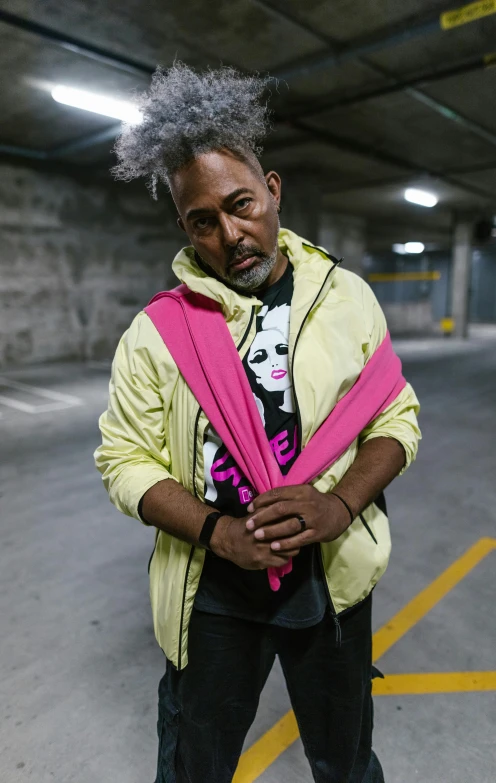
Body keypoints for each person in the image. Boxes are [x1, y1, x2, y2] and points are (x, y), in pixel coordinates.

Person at [94, 63, 421, 783]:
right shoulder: (158, 332)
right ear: (185, 226)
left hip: (329, 585)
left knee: (345, 761)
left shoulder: (347, 299)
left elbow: (395, 415)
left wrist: (339, 504)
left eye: (241, 204)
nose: (230, 233)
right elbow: (124, 458)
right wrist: (219, 533)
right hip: (211, 595)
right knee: (194, 766)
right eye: (201, 221)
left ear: (273, 190)